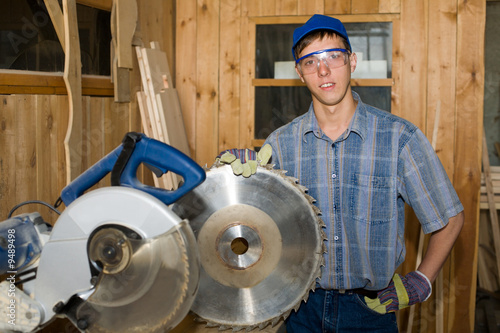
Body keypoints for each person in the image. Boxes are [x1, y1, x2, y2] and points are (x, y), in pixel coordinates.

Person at [220, 14, 464, 332]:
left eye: (333, 56)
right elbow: (253, 228)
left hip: (370, 313)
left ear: (352, 61)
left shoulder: (399, 138)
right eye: (310, 61)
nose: (323, 70)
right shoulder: (280, 144)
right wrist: (238, 179)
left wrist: (421, 279)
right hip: (299, 310)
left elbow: (449, 218)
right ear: (299, 72)